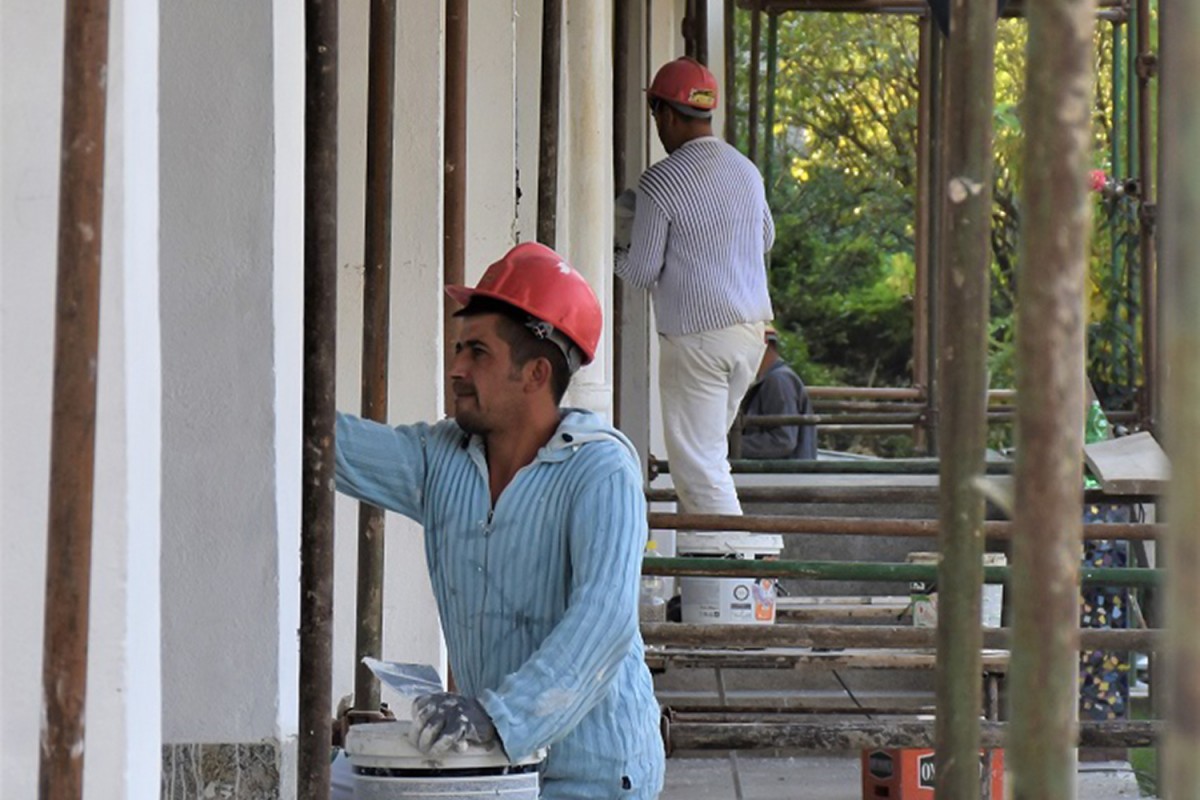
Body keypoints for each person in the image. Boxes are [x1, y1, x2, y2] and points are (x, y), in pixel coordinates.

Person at [333, 242, 665, 799]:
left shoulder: (600, 470)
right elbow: (326, 444)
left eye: (478, 353)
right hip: (499, 766)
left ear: (535, 373)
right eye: (459, 348)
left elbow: (604, 619)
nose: (457, 368)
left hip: (597, 775)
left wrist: (496, 715)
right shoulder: (441, 458)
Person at [614, 56, 774, 522]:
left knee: (700, 471)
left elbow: (641, 271)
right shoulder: (746, 170)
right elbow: (766, 237)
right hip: (749, 336)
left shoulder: (661, 181)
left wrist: (612, 248)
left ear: (665, 113)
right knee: (709, 461)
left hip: (698, 341)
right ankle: (720, 565)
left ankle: (738, 562)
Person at [739, 327, 817, 460]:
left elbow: (783, 441)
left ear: (763, 345)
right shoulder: (769, 379)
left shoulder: (778, 380)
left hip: (785, 471)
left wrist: (731, 444)